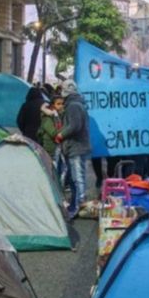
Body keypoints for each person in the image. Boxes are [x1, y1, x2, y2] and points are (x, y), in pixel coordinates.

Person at [55, 80, 92, 215]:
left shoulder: (73, 106)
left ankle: (80, 205)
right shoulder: (76, 104)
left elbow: (74, 126)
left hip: (76, 147)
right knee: (76, 177)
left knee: (77, 178)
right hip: (77, 146)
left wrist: (61, 134)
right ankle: (77, 204)